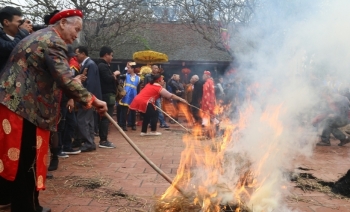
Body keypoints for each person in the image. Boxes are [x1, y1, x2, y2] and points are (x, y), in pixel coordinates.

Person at [0, 9, 107, 212]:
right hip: (25, 108)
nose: (77, 36)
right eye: (76, 29)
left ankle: (14, 200)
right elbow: (65, 78)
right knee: (26, 159)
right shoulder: (53, 41)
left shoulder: (39, 36)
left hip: (14, 104)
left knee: (16, 157)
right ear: (63, 23)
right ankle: (26, 207)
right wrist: (93, 100)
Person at [74, 46, 103, 152]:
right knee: (89, 120)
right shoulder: (88, 64)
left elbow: (91, 84)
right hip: (90, 97)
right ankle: (90, 142)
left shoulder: (90, 65)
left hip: (88, 98)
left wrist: (86, 98)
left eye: (77, 54)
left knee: (83, 120)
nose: (76, 56)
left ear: (83, 53)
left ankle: (88, 142)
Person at [96, 46, 119, 148]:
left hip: (106, 95)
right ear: (106, 55)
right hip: (106, 95)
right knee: (106, 118)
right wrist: (115, 74)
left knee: (105, 118)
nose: (112, 58)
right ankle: (103, 140)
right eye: (111, 55)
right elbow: (107, 79)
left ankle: (103, 138)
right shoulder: (102, 66)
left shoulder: (104, 65)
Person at [0, 6, 32, 71]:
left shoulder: (22, 37)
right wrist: (23, 32)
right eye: (19, 22)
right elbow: (11, 48)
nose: (22, 25)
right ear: (6, 22)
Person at [119, 61, 140, 131]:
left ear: (133, 69)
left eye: (129, 68)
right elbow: (119, 77)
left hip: (133, 95)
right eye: (127, 68)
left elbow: (138, 88)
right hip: (126, 95)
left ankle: (133, 124)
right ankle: (124, 125)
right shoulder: (125, 76)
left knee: (133, 111)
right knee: (124, 111)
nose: (127, 69)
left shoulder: (138, 78)